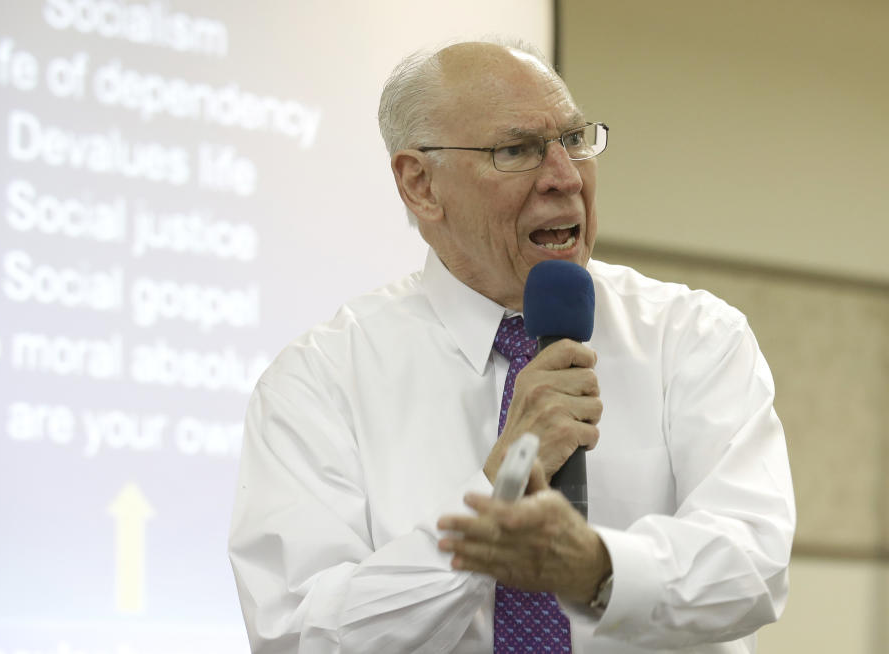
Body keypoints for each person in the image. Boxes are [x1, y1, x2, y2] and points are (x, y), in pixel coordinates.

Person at [229, 39, 795, 653]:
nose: (566, 177)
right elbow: (299, 634)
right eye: (516, 150)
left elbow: (753, 564)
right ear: (420, 184)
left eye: (575, 140)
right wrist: (490, 502)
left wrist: (598, 568)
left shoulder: (694, 337)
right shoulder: (319, 381)